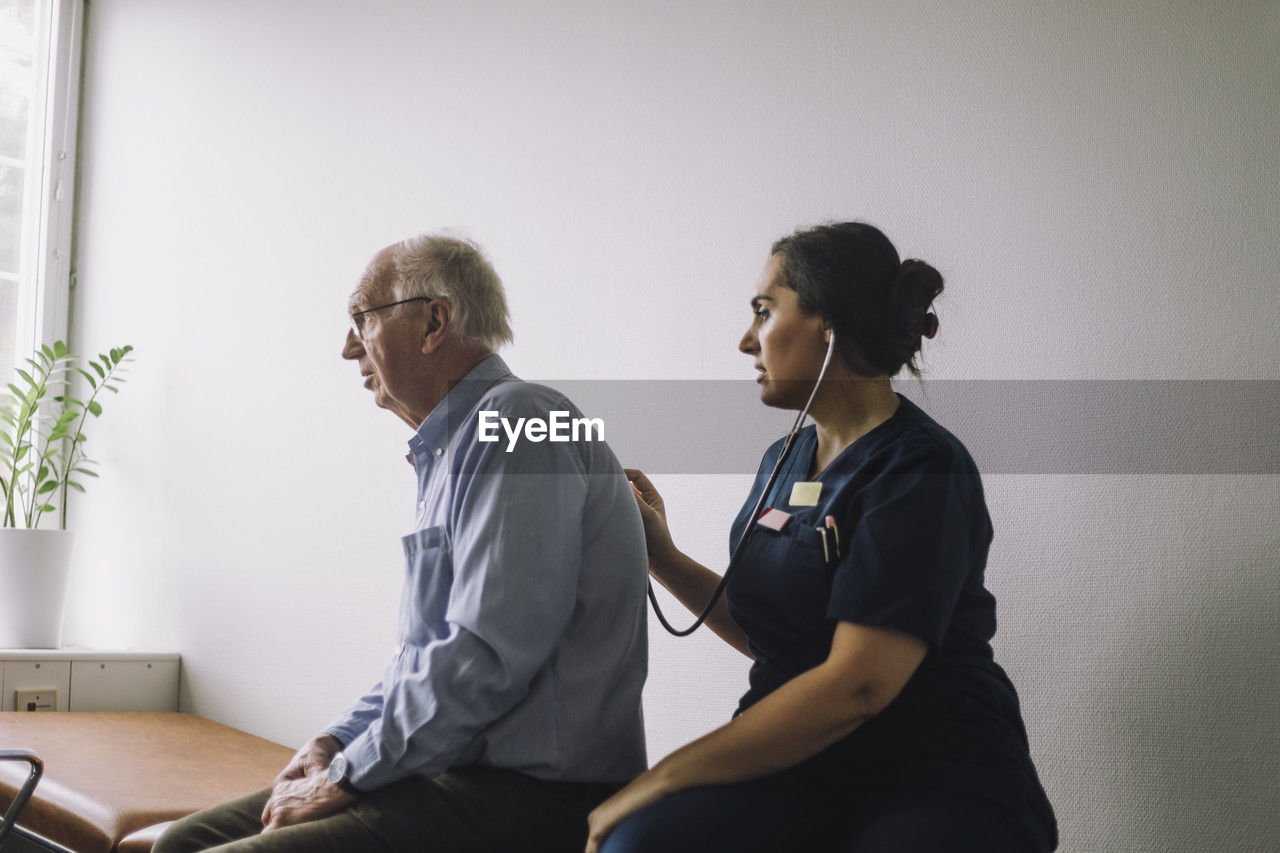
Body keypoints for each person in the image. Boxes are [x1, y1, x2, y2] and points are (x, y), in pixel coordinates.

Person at [157, 234, 649, 853]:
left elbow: (483, 656)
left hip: (529, 799)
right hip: (450, 777)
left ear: (433, 321)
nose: (346, 347)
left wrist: (351, 773)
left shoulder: (520, 421)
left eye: (361, 319)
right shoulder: (453, 450)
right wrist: (335, 743)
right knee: (181, 842)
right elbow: (423, 660)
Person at [587, 222, 1058, 852]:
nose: (745, 341)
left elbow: (858, 683)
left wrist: (665, 776)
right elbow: (780, 632)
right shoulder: (784, 459)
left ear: (828, 325)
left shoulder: (920, 468)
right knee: (640, 844)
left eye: (763, 311)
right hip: (801, 770)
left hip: (934, 775)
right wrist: (663, 557)